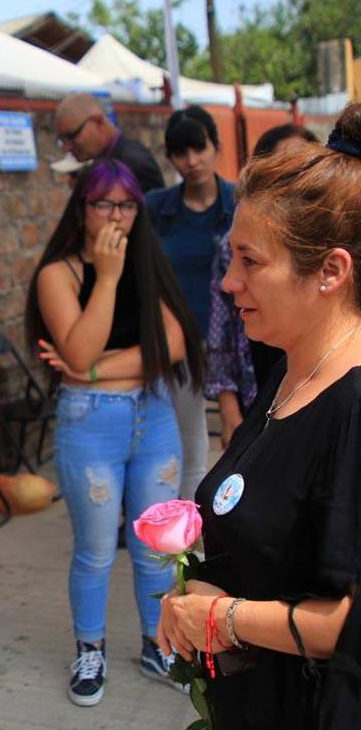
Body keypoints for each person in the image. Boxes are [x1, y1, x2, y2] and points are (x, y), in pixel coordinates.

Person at [158, 104, 361, 730]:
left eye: (250, 261)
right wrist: (189, 598)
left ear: (330, 271)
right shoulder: (287, 372)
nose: (227, 283)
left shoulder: (353, 406)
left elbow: (347, 621)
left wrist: (224, 619)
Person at [26, 158, 205, 706]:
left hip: (152, 418)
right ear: (81, 210)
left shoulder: (149, 261)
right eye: (103, 203)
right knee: (98, 549)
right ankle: (91, 648)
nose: (116, 216)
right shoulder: (59, 274)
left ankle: (157, 642)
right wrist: (105, 279)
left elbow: (172, 346)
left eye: (127, 205)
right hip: (90, 424)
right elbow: (76, 348)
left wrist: (95, 368)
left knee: (155, 547)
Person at [207, 124, 318, 447]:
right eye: (280, 168)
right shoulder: (234, 243)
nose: (233, 282)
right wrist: (229, 409)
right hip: (257, 383)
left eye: (303, 166)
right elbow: (221, 332)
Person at [146, 106, 225, 499]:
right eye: (180, 152)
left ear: (216, 146)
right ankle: (187, 538)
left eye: (199, 148)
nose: (191, 161)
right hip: (180, 341)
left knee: (244, 432)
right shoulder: (157, 209)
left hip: (236, 338)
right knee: (189, 445)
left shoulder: (239, 204)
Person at [54, 93, 165, 193]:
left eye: (72, 135)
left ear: (98, 122)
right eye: (62, 140)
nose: (66, 147)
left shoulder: (134, 162)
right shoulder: (101, 160)